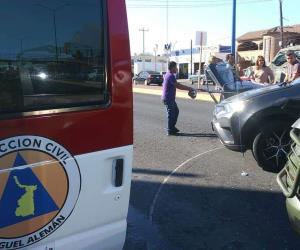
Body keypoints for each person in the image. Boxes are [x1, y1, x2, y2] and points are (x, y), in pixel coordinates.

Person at [162, 61, 195, 136]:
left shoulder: (169, 75)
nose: (177, 69)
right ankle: (170, 130)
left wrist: (189, 88)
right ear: (173, 67)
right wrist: (189, 88)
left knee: (176, 111)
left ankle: (172, 127)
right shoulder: (170, 75)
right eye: (176, 67)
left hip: (170, 98)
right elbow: (178, 86)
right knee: (171, 114)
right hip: (168, 98)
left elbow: (177, 85)